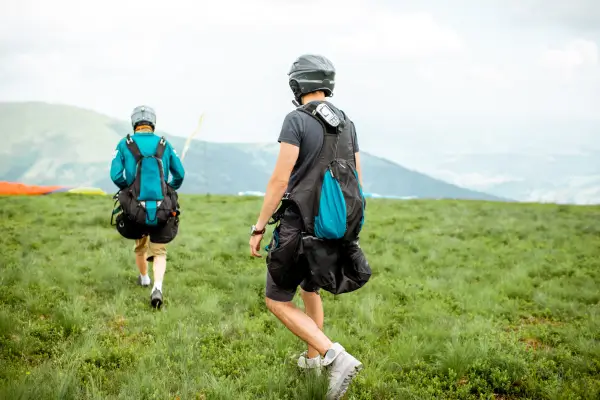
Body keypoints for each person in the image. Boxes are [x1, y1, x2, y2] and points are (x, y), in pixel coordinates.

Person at [249, 54, 368, 400]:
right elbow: (357, 178)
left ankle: (334, 355)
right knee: (310, 288)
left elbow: (279, 179)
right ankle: (313, 359)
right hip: (333, 228)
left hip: (298, 227)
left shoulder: (296, 120)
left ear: (297, 85)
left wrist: (258, 227)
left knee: (277, 300)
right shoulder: (347, 123)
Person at [110, 105, 185, 309]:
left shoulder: (124, 144)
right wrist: (168, 189)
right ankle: (157, 287)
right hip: (162, 207)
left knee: (140, 245)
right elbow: (180, 174)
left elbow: (115, 175)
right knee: (159, 251)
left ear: (134, 123)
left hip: (135, 208)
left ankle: (144, 278)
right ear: (152, 122)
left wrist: (130, 191)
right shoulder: (164, 144)